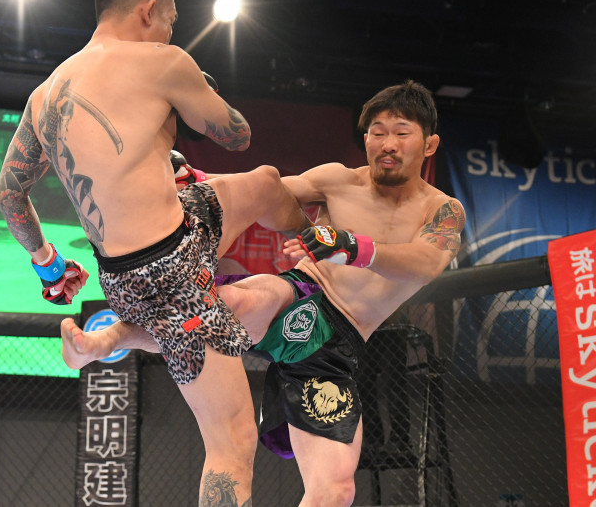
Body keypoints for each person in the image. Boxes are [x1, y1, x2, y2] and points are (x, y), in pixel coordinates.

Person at [61, 80, 466, 506]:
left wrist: (353, 246)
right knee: (239, 300)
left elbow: (426, 261)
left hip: (336, 350)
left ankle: (114, 337)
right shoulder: (339, 180)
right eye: (377, 132)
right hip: (304, 294)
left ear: (429, 144)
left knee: (336, 490)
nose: (387, 143)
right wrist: (197, 180)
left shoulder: (440, 210)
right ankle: (106, 340)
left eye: (401, 133)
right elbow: (265, 191)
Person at [0, 0, 309, 504]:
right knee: (231, 445)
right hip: (176, 268)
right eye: (169, 20)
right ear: (148, 11)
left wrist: (49, 265)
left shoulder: (44, 95)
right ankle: (104, 342)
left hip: (121, 276)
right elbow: (236, 135)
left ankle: (314, 244)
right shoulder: (163, 61)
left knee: (262, 184)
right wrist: (197, 88)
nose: (169, 32)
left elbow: (9, 196)